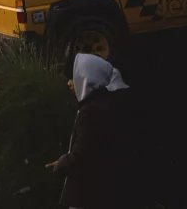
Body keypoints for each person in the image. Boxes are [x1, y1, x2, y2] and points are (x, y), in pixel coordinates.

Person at [47, 53, 137, 209]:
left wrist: (63, 163)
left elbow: (83, 153)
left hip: (90, 193)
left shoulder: (91, 112)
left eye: (72, 77)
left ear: (86, 77)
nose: (69, 83)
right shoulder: (112, 103)